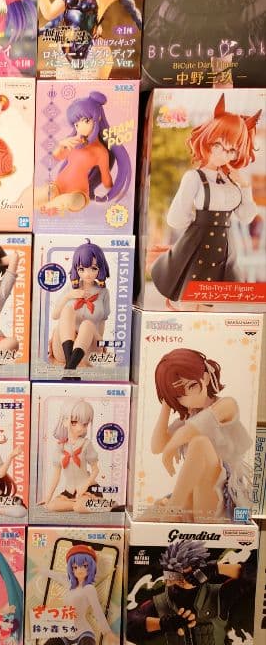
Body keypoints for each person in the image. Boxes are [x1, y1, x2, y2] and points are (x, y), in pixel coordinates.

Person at [151, 95, 261, 302]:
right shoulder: (194, 177)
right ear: (208, 140)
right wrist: (197, 222)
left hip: (226, 247)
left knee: (216, 300)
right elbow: (175, 219)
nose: (223, 154)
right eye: (219, 145)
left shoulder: (232, 180)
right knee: (193, 297)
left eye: (231, 150)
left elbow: (246, 217)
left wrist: (245, 187)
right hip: (198, 244)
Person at [127, 540, 255, 645]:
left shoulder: (218, 595)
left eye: (185, 574)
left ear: (199, 571)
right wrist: (165, 623)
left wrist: (216, 568)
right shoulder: (162, 601)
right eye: (172, 574)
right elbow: (130, 624)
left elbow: (254, 577)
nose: (178, 579)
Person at [150, 348, 253, 520]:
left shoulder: (226, 405)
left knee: (200, 443)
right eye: (180, 396)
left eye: (192, 386)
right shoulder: (188, 418)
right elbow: (157, 446)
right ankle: (174, 509)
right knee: (147, 516)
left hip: (221, 496)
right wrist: (167, 403)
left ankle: (172, 510)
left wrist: (171, 448)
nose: (189, 398)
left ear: (205, 378)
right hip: (192, 498)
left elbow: (194, 428)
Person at [33, 90, 131, 217]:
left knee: (71, 200)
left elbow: (106, 178)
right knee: (45, 192)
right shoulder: (74, 142)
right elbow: (56, 157)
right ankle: (44, 204)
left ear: (97, 118)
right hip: (59, 184)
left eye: (85, 120)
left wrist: (114, 189)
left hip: (79, 191)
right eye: (76, 124)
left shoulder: (101, 152)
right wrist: (61, 144)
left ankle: (52, 205)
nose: (79, 127)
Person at [30, 544, 118, 645]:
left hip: (84, 632)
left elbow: (97, 610)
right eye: (75, 567)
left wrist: (107, 632)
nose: (80, 570)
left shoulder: (89, 588)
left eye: (85, 566)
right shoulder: (70, 584)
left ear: (91, 567)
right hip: (66, 631)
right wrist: (41, 570)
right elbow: (57, 576)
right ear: (71, 569)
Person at [48, 240, 111, 373]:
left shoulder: (103, 292)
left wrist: (100, 342)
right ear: (76, 269)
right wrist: (69, 296)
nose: (87, 274)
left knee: (88, 325)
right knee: (67, 310)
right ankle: (70, 364)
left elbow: (102, 323)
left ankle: (69, 368)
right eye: (82, 269)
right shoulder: (71, 288)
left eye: (93, 268)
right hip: (64, 346)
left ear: (100, 268)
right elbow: (55, 315)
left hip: (89, 347)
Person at [38, 401, 102, 513]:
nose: (80, 428)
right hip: (69, 492)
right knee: (51, 506)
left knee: (79, 507)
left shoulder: (86, 444)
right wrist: (48, 497)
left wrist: (85, 486)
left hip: (88, 489)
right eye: (74, 422)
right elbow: (56, 475)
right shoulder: (60, 447)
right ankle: (82, 503)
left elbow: (95, 470)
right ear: (64, 421)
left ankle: (92, 503)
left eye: (84, 424)